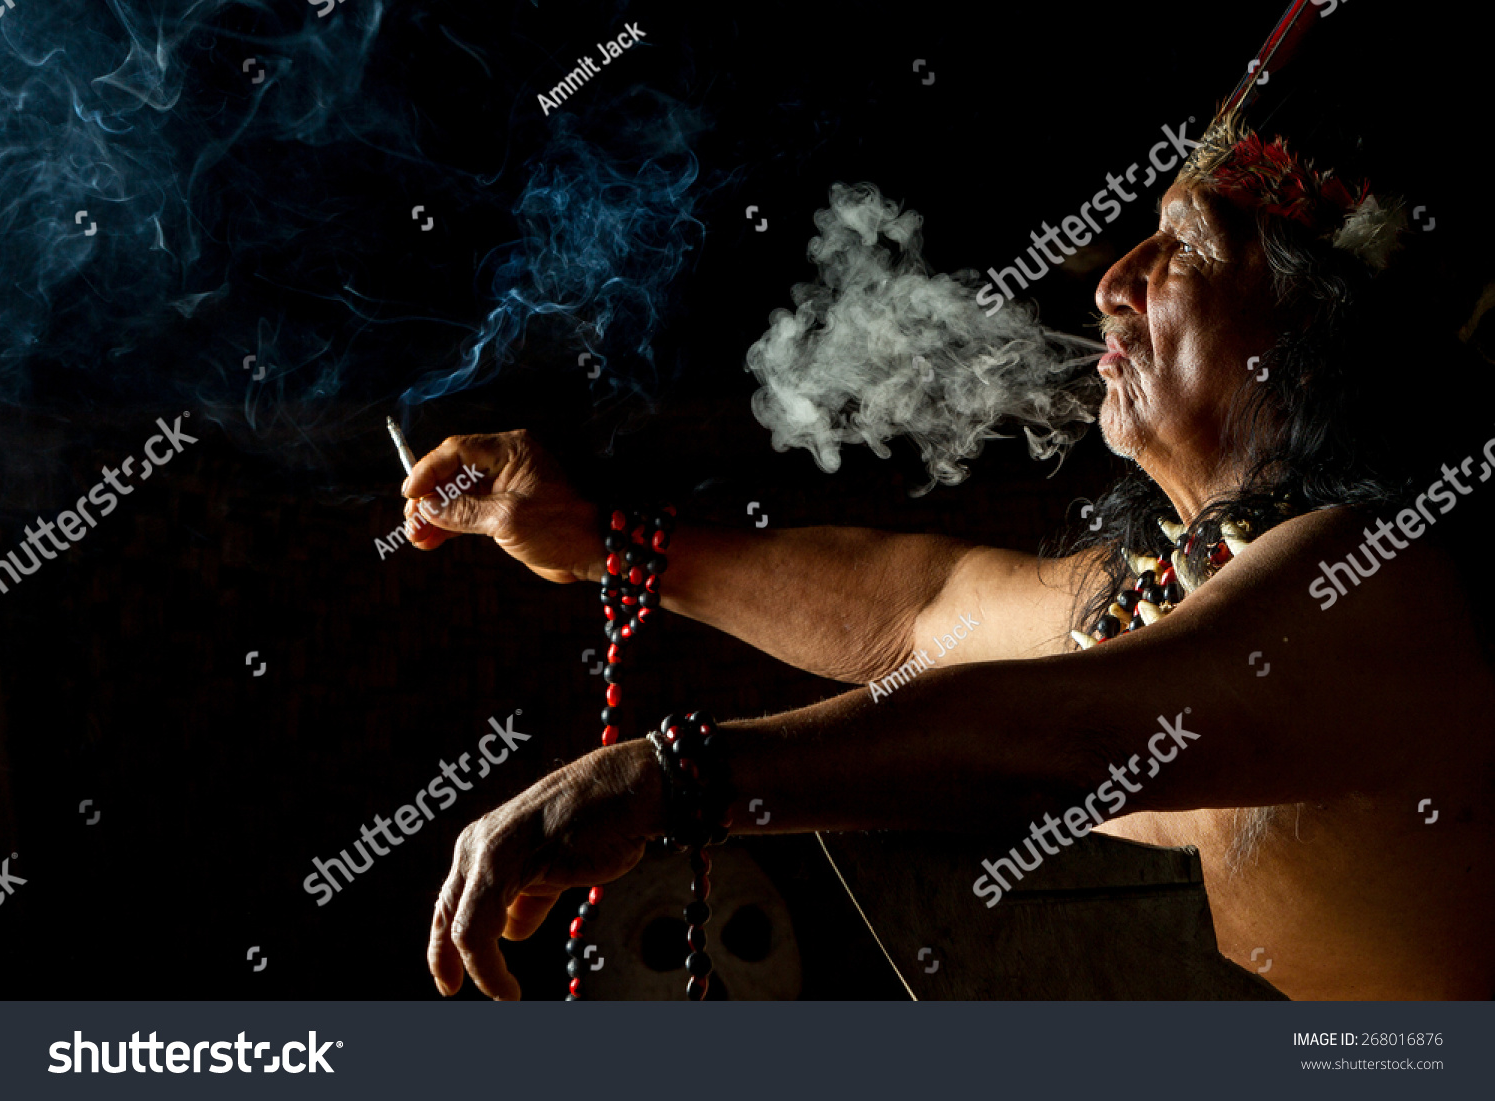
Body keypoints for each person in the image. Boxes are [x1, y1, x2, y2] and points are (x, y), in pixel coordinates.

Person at [399, 104, 1495, 1001]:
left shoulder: (1377, 583)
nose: (1116, 279)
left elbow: (1061, 732)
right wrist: (606, 541)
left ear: (1316, 346)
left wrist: (673, 775)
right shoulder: (1189, 592)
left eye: (1189, 248)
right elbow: (924, 614)